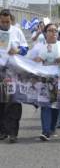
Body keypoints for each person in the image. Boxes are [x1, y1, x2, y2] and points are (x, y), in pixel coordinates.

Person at [34, 23, 60, 141]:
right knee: (45, 105)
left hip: (59, 80)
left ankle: (51, 129)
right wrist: (37, 60)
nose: (53, 33)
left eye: (55, 31)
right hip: (44, 80)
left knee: (55, 106)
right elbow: (28, 60)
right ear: (45, 33)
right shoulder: (39, 47)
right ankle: (45, 131)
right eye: (50, 30)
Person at [0, 9, 28, 144]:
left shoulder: (17, 31)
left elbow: (25, 48)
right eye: (2, 22)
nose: (5, 24)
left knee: (14, 102)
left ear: (11, 20)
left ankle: (13, 133)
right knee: (2, 103)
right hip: (0, 72)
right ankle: (2, 131)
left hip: (13, 72)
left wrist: (17, 50)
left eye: (7, 21)